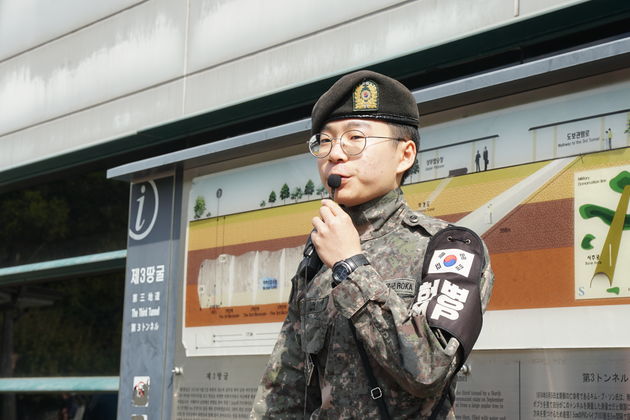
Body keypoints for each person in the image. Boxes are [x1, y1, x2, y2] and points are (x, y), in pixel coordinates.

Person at [250, 70, 494, 419]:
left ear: (404, 155)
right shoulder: (317, 258)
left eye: (354, 138)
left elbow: (429, 369)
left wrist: (351, 267)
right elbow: (285, 386)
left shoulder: (447, 248)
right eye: (325, 141)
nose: (335, 154)